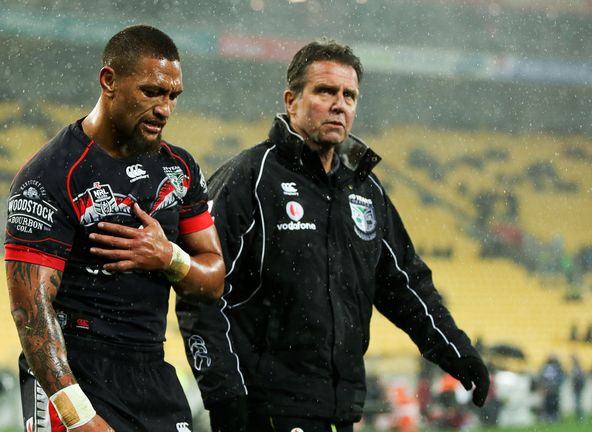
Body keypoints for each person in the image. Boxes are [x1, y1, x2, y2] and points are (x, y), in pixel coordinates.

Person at [176, 40, 490, 432]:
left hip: (340, 409)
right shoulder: (250, 180)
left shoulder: (365, 190)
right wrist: (224, 396)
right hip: (265, 409)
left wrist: (457, 351)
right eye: (325, 91)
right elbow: (199, 294)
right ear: (291, 100)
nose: (339, 104)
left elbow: (406, 284)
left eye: (349, 95)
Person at [4, 25, 224, 432]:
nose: (164, 109)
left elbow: (212, 280)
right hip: (74, 367)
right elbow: (31, 312)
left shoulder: (180, 169)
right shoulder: (49, 175)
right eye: (151, 92)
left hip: (149, 366)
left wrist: (169, 257)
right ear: (109, 81)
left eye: (173, 96)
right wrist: (78, 415)